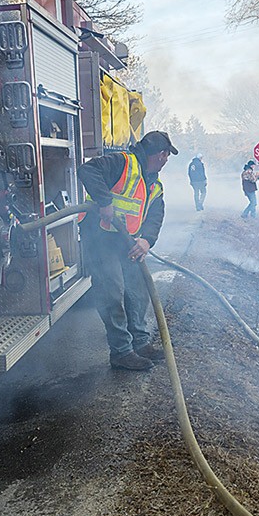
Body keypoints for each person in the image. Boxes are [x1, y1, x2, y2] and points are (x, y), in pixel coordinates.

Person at [77, 130, 176, 371]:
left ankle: (140, 343)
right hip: (100, 237)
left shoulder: (154, 182)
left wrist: (147, 241)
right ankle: (121, 352)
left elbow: (155, 215)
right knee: (111, 292)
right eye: (166, 155)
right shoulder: (123, 162)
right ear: (161, 154)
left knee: (137, 290)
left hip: (126, 241)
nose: (166, 160)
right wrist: (105, 201)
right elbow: (87, 170)